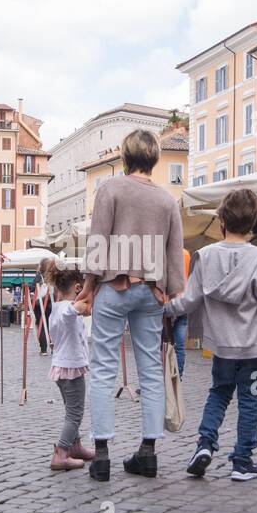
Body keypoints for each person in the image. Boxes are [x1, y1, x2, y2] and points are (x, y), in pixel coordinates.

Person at [77, 129, 185, 483]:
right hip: (151, 290)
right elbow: (174, 253)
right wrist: (170, 292)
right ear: (154, 159)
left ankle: (103, 454)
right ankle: (148, 452)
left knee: (105, 368)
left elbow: (98, 242)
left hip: (115, 285)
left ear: (124, 157)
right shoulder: (168, 201)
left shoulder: (110, 189)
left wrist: (89, 289)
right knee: (150, 370)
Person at [165, 189, 257, 481]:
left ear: (221, 220)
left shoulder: (205, 257)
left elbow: (189, 300)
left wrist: (164, 309)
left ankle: (205, 443)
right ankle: (242, 461)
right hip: (254, 350)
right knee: (251, 400)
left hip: (222, 347)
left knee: (218, 394)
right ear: (253, 222)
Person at [46, 267, 95, 471]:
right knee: (75, 414)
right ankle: (62, 453)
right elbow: (70, 312)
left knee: (70, 410)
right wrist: (80, 305)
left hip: (62, 366)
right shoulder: (66, 308)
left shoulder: (55, 307)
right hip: (70, 368)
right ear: (77, 287)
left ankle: (75, 446)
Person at [170, 248, 191, 376]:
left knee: (160, 345)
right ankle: (178, 376)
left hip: (170, 302)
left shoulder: (166, 252)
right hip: (184, 301)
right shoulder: (186, 253)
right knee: (179, 345)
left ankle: (160, 380)